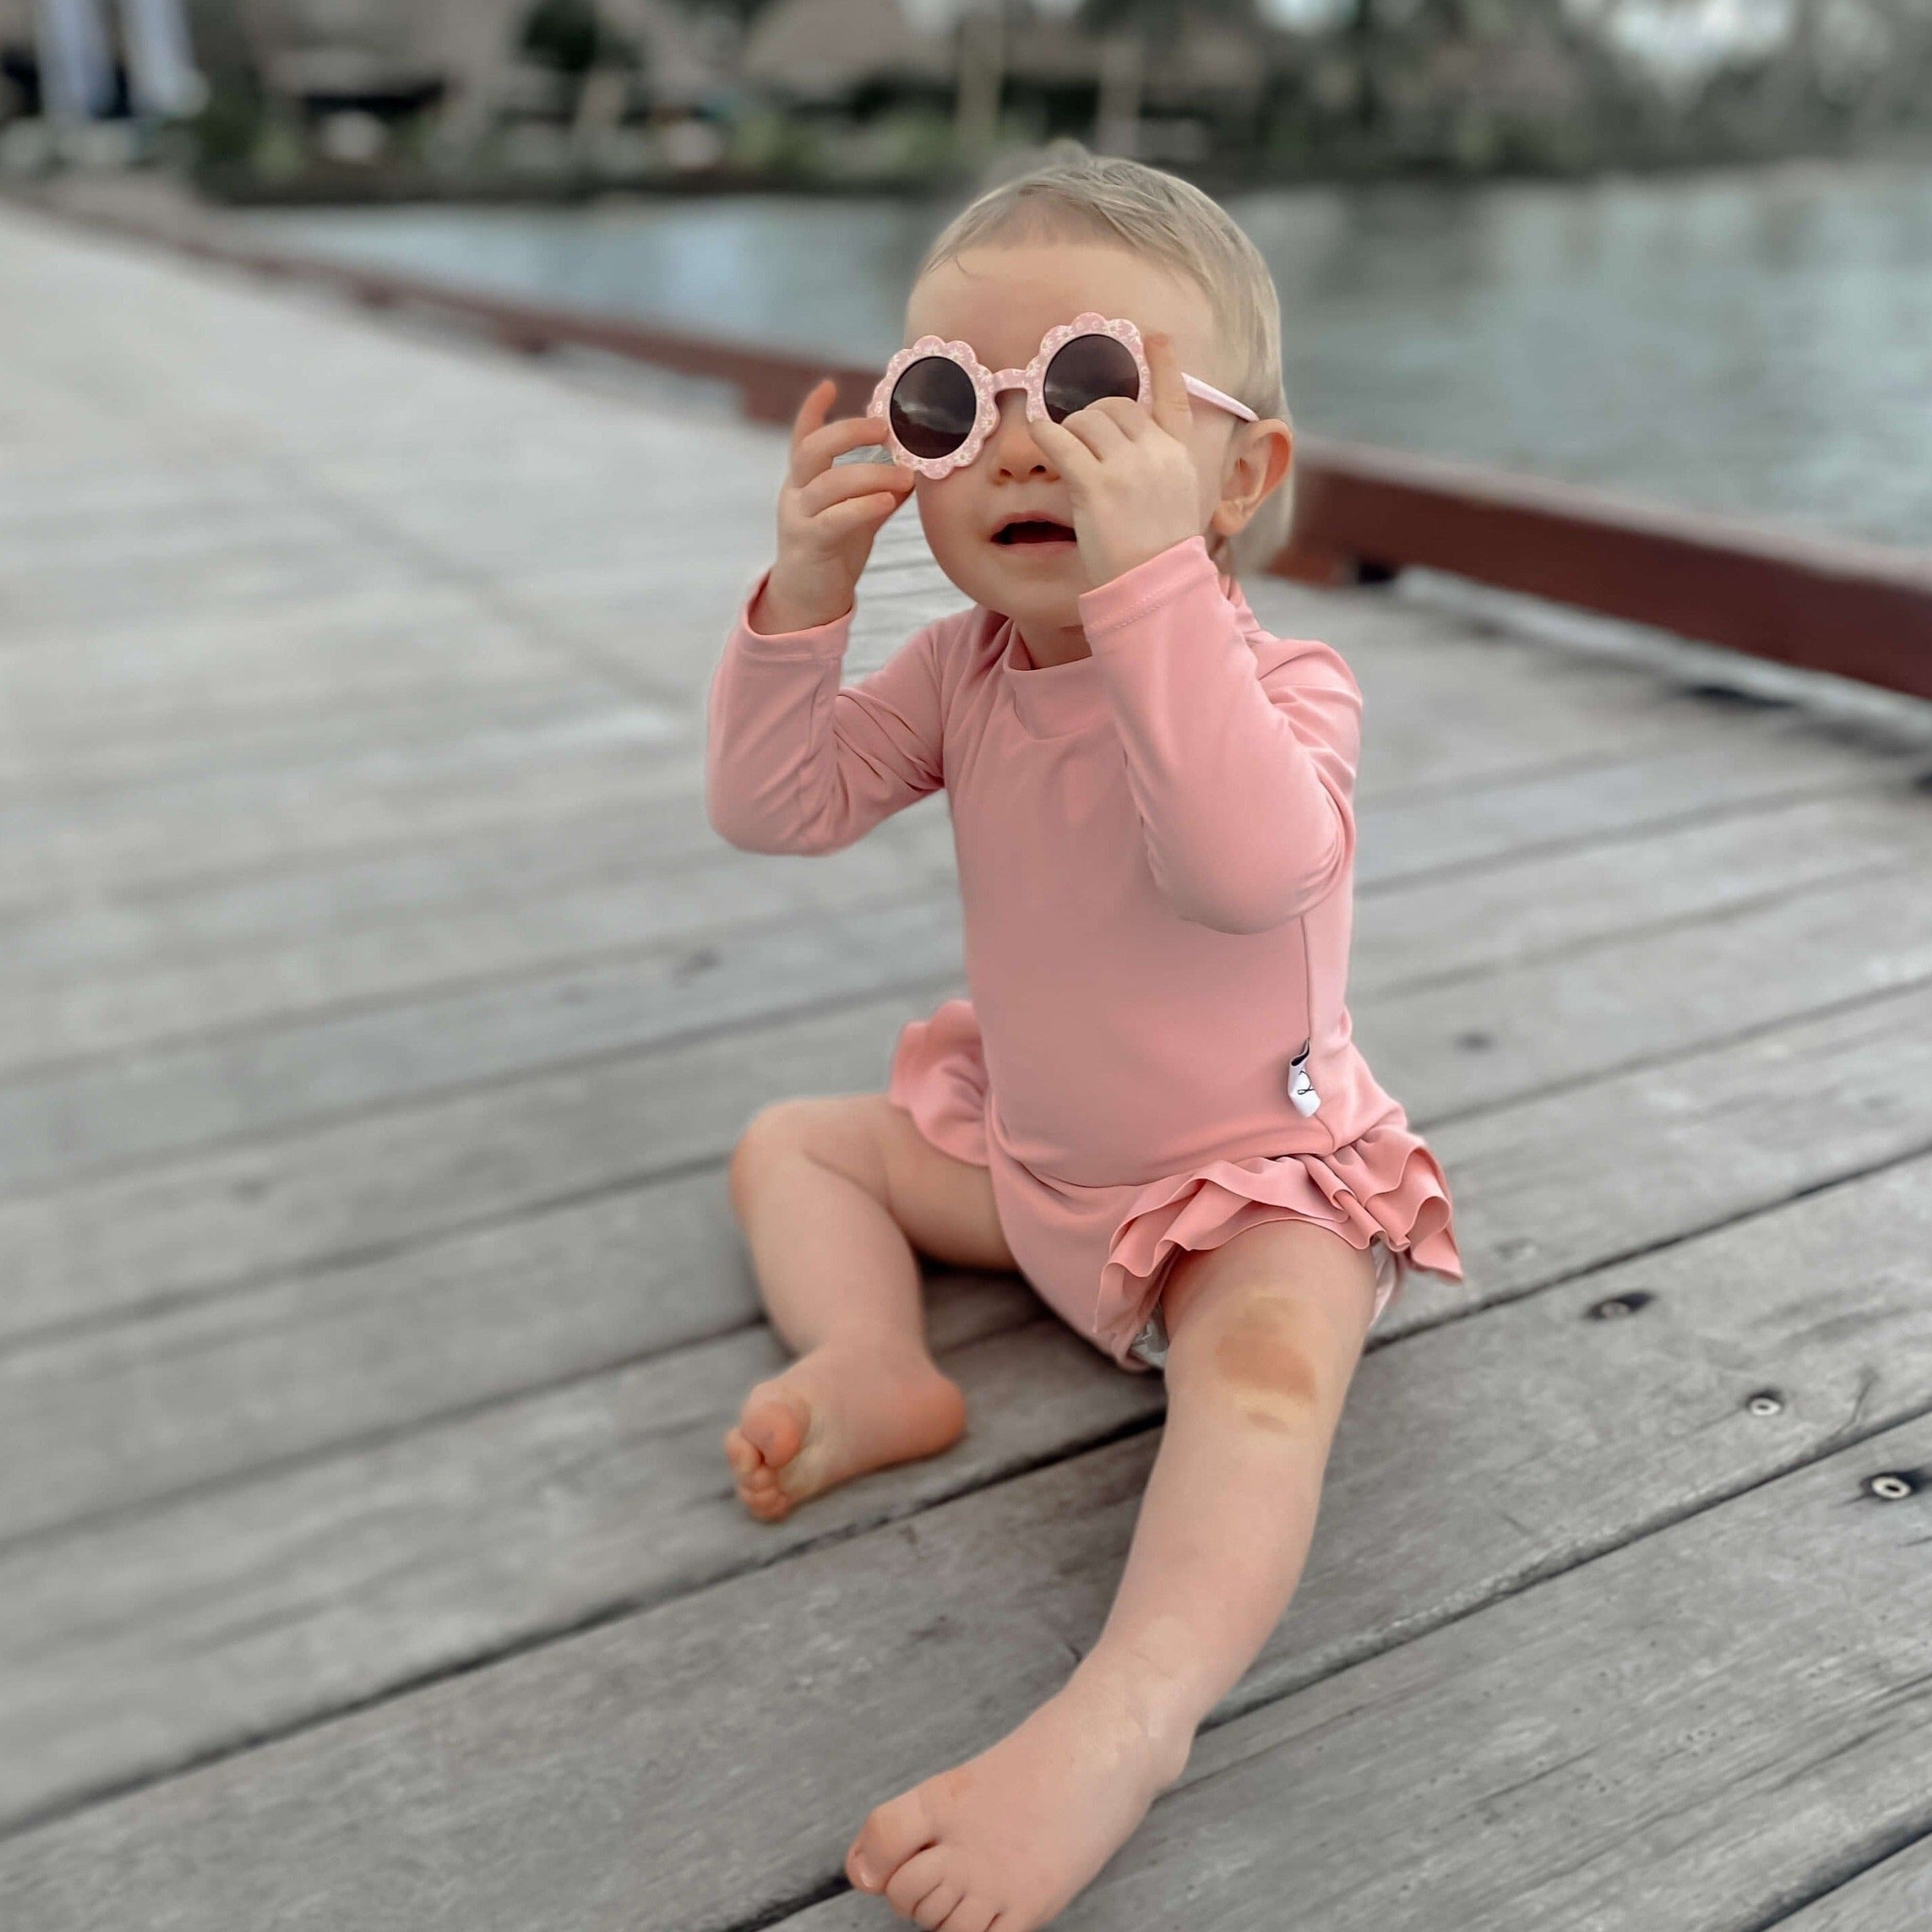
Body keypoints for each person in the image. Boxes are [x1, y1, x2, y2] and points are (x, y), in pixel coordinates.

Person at [705, 143, 1463, 1931]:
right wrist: (806, 598)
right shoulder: (962, 670)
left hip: (1239, 1190)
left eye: (1099, 389)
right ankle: (874, 1361)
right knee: (793, 1144)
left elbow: (1241, 867)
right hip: (1034, 1160)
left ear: (1239, 472)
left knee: (1268, 1381)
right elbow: (779, 808)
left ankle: (1129, 1717)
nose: (1029, 444)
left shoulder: (1287, 685)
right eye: (960, 401)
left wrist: (1148, 605)